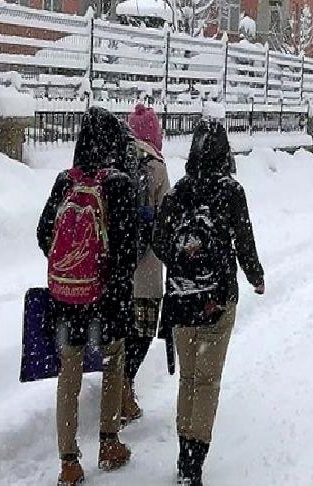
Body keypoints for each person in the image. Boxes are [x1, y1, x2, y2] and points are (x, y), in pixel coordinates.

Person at [153, 118, 265, 486]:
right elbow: (244, 241)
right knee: (207, 382)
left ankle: (184, 450)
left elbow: (159, 239)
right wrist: (255, 276)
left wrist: (180, 260)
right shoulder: (231, 192)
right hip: (216, 300)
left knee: (188, 379)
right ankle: (194, 461)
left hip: (183, 299)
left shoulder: (179, 192)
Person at [37, 107, 138, 486]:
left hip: (66, 299)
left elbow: (43, 232)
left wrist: (70, 264)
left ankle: (68, 461)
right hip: (107, 301)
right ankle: (109, 442)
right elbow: (130, 247)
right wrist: (109, 278)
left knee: (69, 372)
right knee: (113, 363)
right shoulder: (119, 184)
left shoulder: (66, 181)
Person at [122, 103, 171, 423]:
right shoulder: (155, 166)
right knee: (141, 331)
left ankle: (118, 388)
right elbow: (167, 219)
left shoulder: (114, 159)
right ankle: (124, 388)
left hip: (115, 267)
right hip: (147, 270)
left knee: (119, 332)